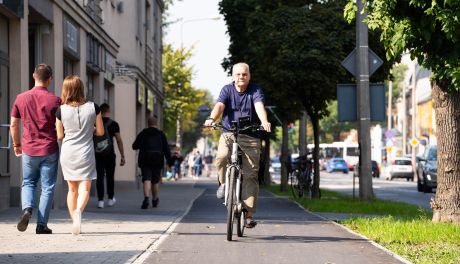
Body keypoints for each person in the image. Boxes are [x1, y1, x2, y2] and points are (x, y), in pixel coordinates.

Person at [204, 62, 271, 228]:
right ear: (233, 76)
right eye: (238, 74)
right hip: (229, 133)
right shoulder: (227, 89)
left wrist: (264, 121)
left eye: (245, 74)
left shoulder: (255, 90)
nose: (241, 77)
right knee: (221, 157)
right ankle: (224, 183)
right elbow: (220, 105)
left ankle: (248, 215)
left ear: (249, 76)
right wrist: (212, 118)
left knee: (251, 174)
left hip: (250, 135)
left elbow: (259, 106)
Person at [10, 63, 61, 234]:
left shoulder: (20, 98)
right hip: (49, 149)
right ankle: (41, 225)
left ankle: (27, 209)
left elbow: (13, 124)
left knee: (28, 182)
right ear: (50, 79)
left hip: (29, 149)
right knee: (47, 187)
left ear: (33, 76)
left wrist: (17, 144)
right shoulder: (55, 100)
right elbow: (61, 127)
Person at [56, 75, 104, 235]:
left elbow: (60, 135)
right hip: (86, 152)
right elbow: (101, 132)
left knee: (72, 189)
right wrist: (90, 130)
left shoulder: (60, 110)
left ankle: (74, 221)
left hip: (68, 152)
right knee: (85, 188)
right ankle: (78, 212)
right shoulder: (94, 107)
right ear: (81, 88)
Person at [132, 116, 172, 209]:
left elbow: (134, 146)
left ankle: (146, 198)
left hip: (145, 160)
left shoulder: (143, 133)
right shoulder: (161, 134)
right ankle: (154, 199)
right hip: (157, 161)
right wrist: (170, 162)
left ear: (148, 124)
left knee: (146, 179)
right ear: (156, 124)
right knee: (155, 181)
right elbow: (166, 149)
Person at [95, 103, 125, 208]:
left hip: (98, 154)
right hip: (110, 154)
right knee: (110, 176)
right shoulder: (114, 124)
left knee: (99, 177)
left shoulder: (95, 123)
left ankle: (100, 200)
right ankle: (111, 198)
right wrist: (122, 156)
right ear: (108, 111)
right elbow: (119, 140)